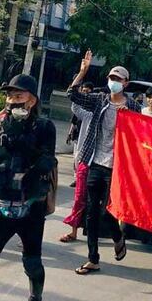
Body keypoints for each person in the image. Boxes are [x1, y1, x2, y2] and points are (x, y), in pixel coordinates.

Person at [0, 74, 56, 301]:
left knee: (32, 264)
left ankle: (35, 300)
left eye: (19, 95)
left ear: (32, 101)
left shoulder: (45, 127)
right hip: (1, 203)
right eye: (9, 96)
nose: (13, 100)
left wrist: (23, 141)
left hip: (31, 206)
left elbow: (49, 161)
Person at [67, 50, 140, 275]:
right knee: (91, 210)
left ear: (125, 83)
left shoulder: (134, 107)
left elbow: (141, 134)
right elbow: (72, 94)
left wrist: (130, 117)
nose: (113, 82)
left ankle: (118, 237)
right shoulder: (99, 100)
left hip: (118, 166)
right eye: (111, 78)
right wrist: (83, 72)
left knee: (108, 209)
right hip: (94, 161)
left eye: (118, 79)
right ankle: (93, 259)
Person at [60, 80, 95, 244]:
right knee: (79, 197)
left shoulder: (115, 117)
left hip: (105, 165)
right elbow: (74, 103)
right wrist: (81, 73)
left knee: (97, 202)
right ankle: (73, 231)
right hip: (85, 160)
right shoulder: (88, 116)